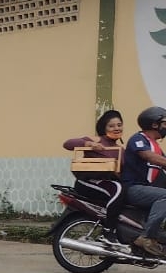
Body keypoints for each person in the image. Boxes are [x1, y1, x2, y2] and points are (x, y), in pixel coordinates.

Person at [65, 110, 125, 239]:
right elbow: (68, 144)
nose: (116, 128)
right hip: (87, 182)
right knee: (118, 189)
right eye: (111, 126)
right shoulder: (96, 140)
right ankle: (109, 231)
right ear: (104, 128)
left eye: (119, 125)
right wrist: (89, 144)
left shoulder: (120, 149)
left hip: (107, 183)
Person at [120, 106, 166, 257]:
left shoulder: (156, 146)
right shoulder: (138, 139)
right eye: (164, 123)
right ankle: (147, 238)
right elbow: (150, 157)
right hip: (133, 188)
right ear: (154, 124)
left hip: (146, 189)